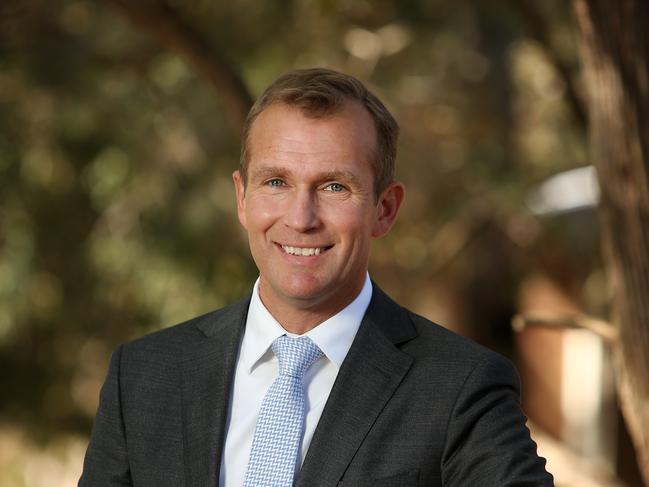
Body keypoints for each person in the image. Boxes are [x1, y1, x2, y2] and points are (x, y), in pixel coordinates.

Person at [79, 68, 553, 486]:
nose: (301, 218)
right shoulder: (142, 377)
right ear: (242, 198)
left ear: (384, 210)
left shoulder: (459, 388)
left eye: (333, 187)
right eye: (277, 182)